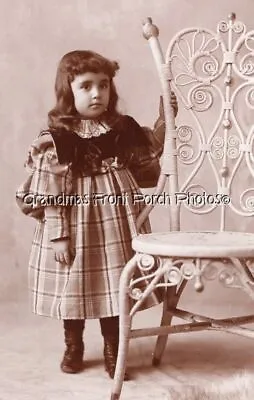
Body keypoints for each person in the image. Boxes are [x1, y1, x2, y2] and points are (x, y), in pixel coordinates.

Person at [16, 50, 178, 378]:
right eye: (86, 86)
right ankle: (73, 345)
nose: (96, 93)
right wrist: (59, 235)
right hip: (75, 223)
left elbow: (150, 151)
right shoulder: (58, 140)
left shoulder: (120, 129)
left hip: (116, 223)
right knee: (73, 285)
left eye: (103, 86)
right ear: (67, 92)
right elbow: (52, 192)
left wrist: (167, 119)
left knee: (115, 282)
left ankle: (113, 348)